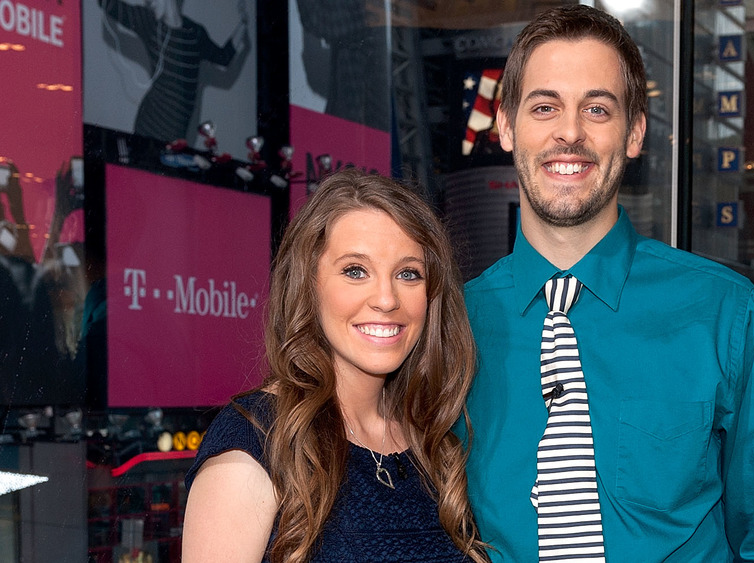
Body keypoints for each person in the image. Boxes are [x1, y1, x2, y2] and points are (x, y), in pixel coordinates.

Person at [461, 5, 754, 561]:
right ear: (507, 127)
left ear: (634, 133)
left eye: (597, 108)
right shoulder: (451, 326)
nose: (570, 132)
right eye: (545, 107)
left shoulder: (725, 314)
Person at [183, 169, 489, 562]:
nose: (386, 298)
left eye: (408, 273)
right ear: (309, 285)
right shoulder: (258, 441)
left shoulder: (436, 445)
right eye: (355, 271)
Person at [98, 0, 250, 143]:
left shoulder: (195, 33)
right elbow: (108, 4)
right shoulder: (149, 22)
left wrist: (243, 23)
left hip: (177, 132)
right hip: (149, 127)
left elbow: (224, 58)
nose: (148, 2)